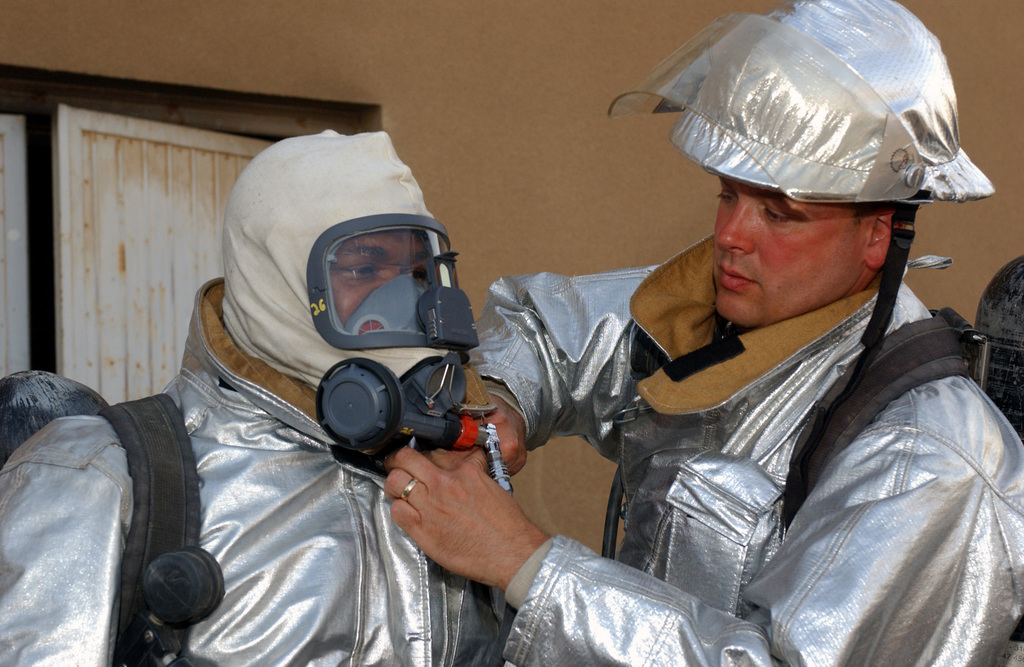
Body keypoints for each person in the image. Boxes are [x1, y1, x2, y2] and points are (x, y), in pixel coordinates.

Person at [382, 1, 1024, 664]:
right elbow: (547, 332)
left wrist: (523, 561)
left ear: (878, 234)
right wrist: (504, 403)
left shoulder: (926, 462)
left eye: (779, 213)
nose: (729, 234)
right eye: (727, 193)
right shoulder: (721, 318)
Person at [0, 130, 508, 665]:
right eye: (363, 270)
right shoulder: (94, 476)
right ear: (276, 281)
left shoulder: (454, 477)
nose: (404, 300)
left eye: (419, 275)